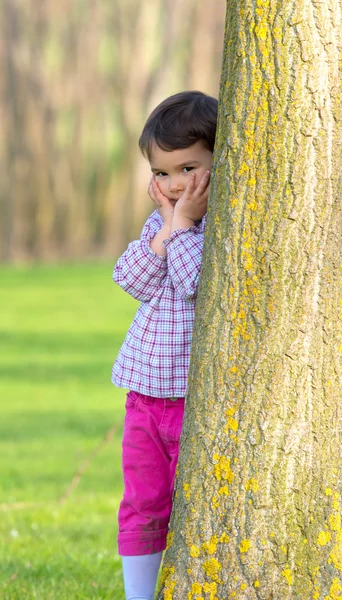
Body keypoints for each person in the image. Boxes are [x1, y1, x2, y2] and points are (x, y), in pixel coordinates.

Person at [112, 90, 218, 600]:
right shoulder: (163, 223)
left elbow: (193, 281)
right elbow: (129, 278)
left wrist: (182, 227)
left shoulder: (217, 227)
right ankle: (139, 595)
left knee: (196, 504)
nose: (175, 184)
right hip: (144, 398)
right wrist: (170, 227)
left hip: (193, 401)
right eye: (162, 173)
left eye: (188, 168)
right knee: (143, 501)